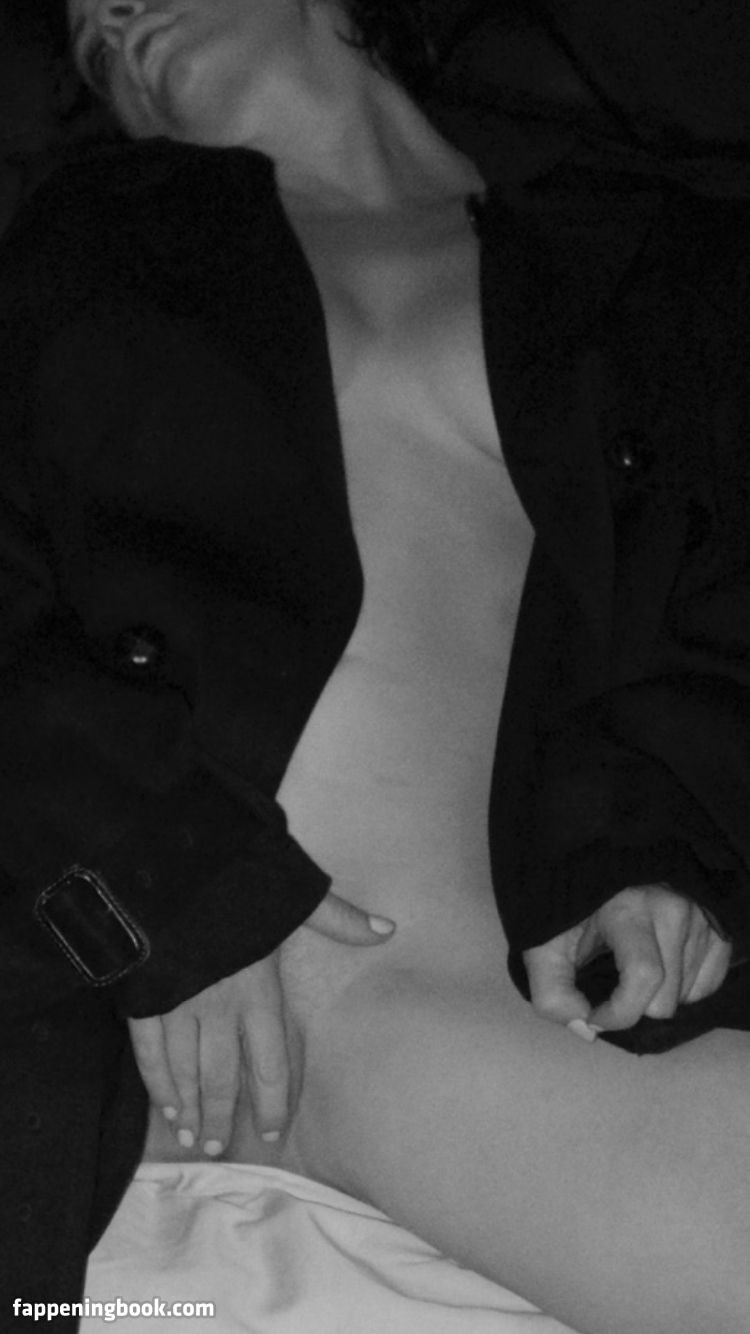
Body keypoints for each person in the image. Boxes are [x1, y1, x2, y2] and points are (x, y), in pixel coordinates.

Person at [2, 0, 750, 1328]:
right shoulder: (77, 248)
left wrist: (667, 844)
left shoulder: (657, 252)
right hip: (229, 998)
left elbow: (725, 603)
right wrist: (160, 877)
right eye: (90, 35)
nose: (106, 17)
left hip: (509, 1008)